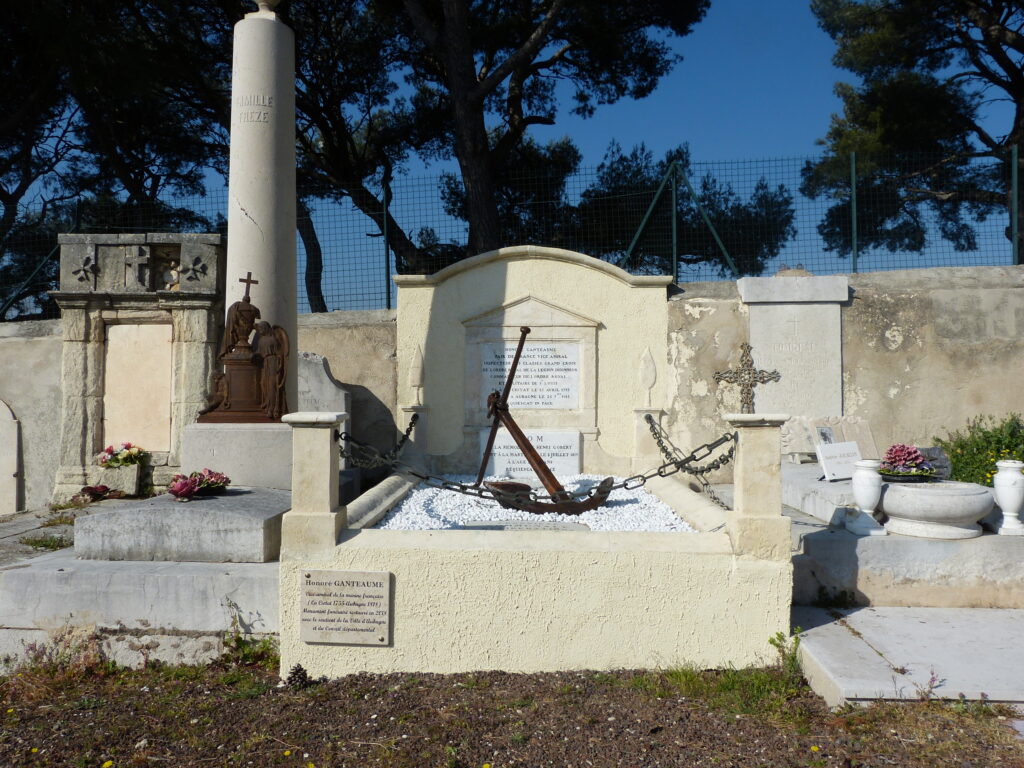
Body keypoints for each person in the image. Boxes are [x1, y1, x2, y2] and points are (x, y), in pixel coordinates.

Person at [253, 321, 288, 419]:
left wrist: (280, 363)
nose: (259, 331)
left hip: (273, 362)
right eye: (258, 329)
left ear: (265, 328)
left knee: (272, 385)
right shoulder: (261, 340)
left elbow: (280, 353)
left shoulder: (274, 339)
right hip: (265, 363)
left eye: (261, 328)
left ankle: (272, 409)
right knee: (264, 384)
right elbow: (259, 352)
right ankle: (267, 404)